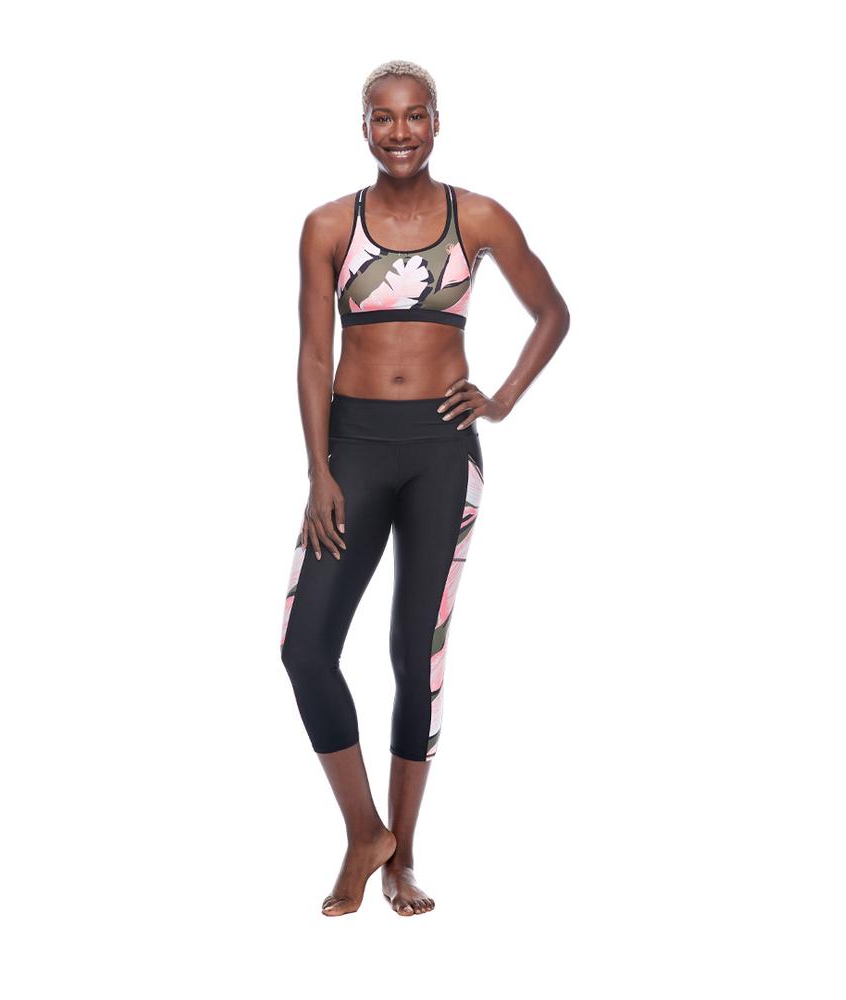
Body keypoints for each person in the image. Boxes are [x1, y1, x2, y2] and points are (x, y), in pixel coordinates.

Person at [279, 59, 570, 917]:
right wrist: (319, 471)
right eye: (383, 117)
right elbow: (313, 356)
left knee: (418, 654)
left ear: (436, 122)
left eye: (414, 116)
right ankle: (363, 833)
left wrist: (501, 398)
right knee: (305, 648)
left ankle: (403, 859)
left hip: (443, 453)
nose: (399, 132)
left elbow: (553, 312)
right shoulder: (327, 225)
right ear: (365, 127)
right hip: (353, 449)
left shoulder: (476, 217)